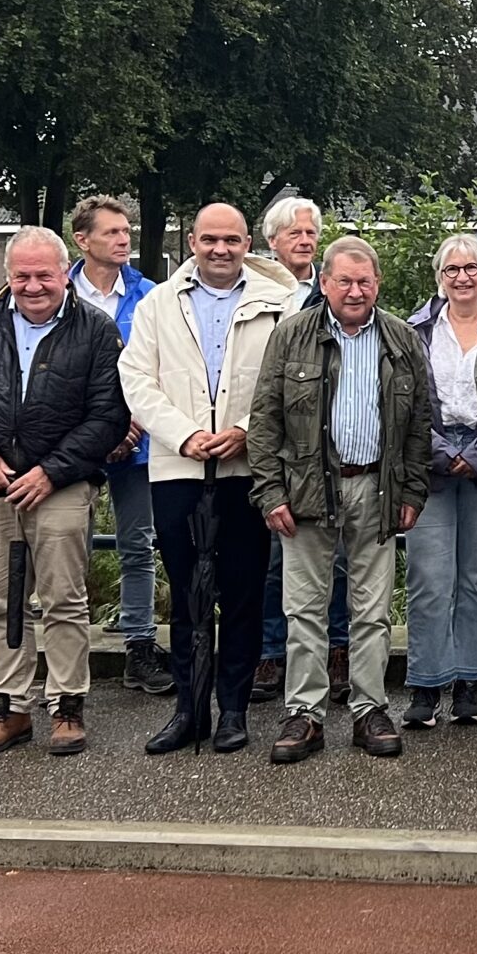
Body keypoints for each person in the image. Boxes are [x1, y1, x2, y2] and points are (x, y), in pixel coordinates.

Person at [0, 226, 129, 758]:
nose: (33, 285)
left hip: (60, 483)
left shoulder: (95, 329)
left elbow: (109, 414)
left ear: (65, 274)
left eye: (44, 275)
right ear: (7, 275)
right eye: (22, 275)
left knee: (63, 599)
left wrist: (53, 471)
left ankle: (66, 706)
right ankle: (11, 708)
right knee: (1, 603)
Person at [117, 203, 301, 754]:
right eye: (209, 240)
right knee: (187, 595)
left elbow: (290, 379)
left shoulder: (281, 303)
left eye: (232, 240)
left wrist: (247, 430)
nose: (220, 250)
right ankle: (188, 710)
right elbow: (137, 378)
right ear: (192, 242)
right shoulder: (157, 305)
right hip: (178, 468)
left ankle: (234, 710)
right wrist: (182, 435)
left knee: (244, 593)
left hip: (249, 467)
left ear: (249, 243)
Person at [246, 238, 435, 763]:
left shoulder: (400, 338)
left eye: (365, 281)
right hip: (306, 489)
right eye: (345, 281)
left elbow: (420, 422)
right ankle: (304, 715)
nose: (355, 291)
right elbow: (264, 421)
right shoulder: (291, 336)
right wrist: (270, 492)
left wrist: (413, 489)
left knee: (371, 611)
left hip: (378, 487)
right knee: (303, 608)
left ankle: (368, 709)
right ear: (324, 283)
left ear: (378, 284)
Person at [71, 194, 173, 696]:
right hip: (73, 445)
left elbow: (159, 365)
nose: (124, 238)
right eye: (111, 231)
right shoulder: (58, 293)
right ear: (82, 239)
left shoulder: (152, 295)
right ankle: (67, 654)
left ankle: (139, 645)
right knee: (70, 547)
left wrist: (131, 424)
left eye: (126, 230)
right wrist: (97, 432)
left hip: (138, 440)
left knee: (138, 544)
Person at [402, 234, 477, 730]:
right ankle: (425, 683)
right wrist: (443, 452)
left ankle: (469, 680)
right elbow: (405, 401)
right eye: (451, 268)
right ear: (439, 277)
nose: (462, 276)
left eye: (471, 267)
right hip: (431, 464)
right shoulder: (416, 329)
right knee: (428, 577)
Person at [253, 194, 348, 702]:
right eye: (295, 233)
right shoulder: (257, 291)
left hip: (330, 441)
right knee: (275, 556)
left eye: (312, 232)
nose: (307, 240)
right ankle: (272, 651)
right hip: (278, 443)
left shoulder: (328, 289)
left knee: (338, 560)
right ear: (272, 241)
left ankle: (338, 647)